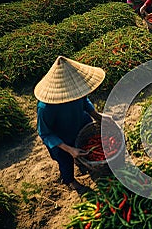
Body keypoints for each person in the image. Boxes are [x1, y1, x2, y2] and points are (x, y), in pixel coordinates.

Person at [34, 56, 106, 195]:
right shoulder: (46, 107)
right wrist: (68, 149)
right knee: (65, 160)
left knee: (85, 148)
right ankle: (70, 181)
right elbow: (45, 133)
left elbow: (85, 102)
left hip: (80, 123)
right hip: (61, 138)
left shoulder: (76, 90)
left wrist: (98, 117)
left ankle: (79, 160)